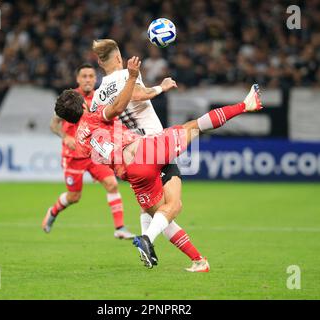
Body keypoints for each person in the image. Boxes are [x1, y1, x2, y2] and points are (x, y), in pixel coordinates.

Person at [54, 56, 263, 269]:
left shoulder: (81, 141)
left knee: (162, 216)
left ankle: (198, 261)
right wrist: (133, 76)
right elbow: (116, 108)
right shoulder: (94, 116)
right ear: (82, 104)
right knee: (194, 127)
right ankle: (245, 105)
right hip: (145, 151)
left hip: (132, 174)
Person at [91, 39, 206, 272]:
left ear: (99, 62)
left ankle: (154, 249)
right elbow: (139, 95)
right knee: (171, 208)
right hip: (154, 146)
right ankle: (167, 248)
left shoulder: (97, 97)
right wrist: (161, 87)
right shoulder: (128, 75)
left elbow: (101, 134)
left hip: (131, 157)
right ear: (118, 57)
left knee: (150, 209)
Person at [42, 63, 135, 240]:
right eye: (84, 76)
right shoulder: (71, 99)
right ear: (77, 79)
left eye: (91, 76)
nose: (87, 79)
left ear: (95, 79)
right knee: (74, 196)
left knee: (112, 184)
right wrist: (65, 137)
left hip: (94, 154)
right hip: (73, 156)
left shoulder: (100, 97)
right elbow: (54, 124)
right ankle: (53, 211)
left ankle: (120, 228)